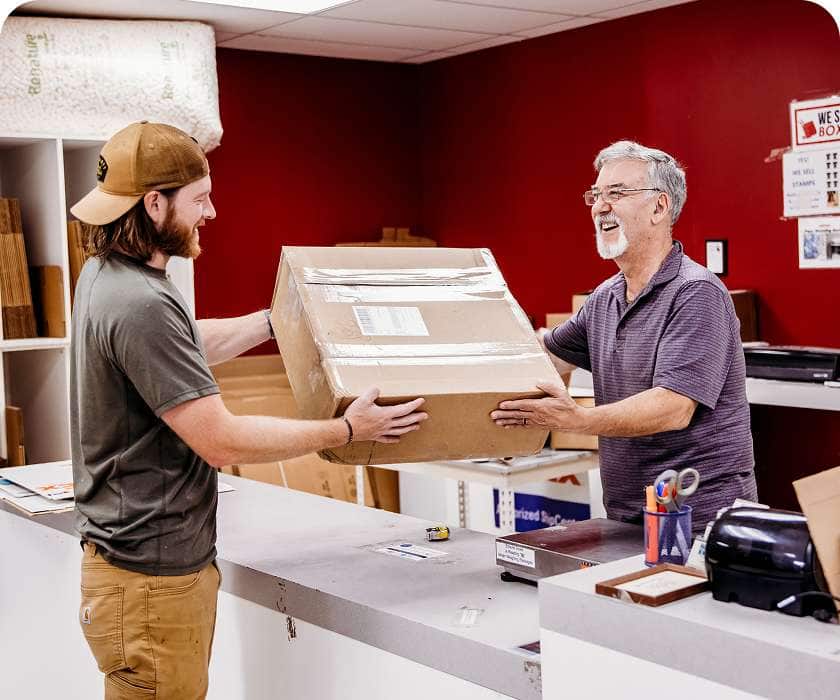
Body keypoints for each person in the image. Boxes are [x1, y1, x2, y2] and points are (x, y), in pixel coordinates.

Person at [69, 121, 427, 699]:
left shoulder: (109, 275)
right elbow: (222, 441)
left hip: (134, 568)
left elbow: (185, 346)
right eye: (200, 199)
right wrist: (347, 428)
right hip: (152, 578)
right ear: (154, 204)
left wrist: (277, 319)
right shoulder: (139, 303)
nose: (211, 213)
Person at [492, 140, 756, 531]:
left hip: (699, 522)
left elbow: (672, 407)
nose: (601, 205)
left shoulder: (696, 293)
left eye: (617, 193)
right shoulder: (606, 297)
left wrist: (577, 419)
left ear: (659, 206)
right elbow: (546, 358)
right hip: (628, 516)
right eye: (596, 195)